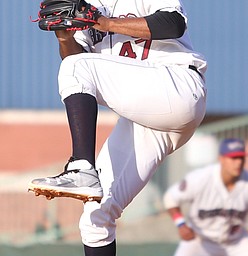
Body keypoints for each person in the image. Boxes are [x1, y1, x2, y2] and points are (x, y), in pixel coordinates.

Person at [28, 0, 207, 255]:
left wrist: (105, 23)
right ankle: (85, 176)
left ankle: (81, 167)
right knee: (95, 216)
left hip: (177, 86)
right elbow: (78, 61)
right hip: (147, 117)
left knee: (76, 68)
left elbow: (174, 24)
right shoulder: (85, 4)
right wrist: (64, 37)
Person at [163, 138, 248, 256]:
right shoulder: (201, 178)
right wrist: (181, 224)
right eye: (233, 158)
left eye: (241, 158)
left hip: (236, 242)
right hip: (200, 239)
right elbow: (170, 198)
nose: (239, 163)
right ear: (221, 159)